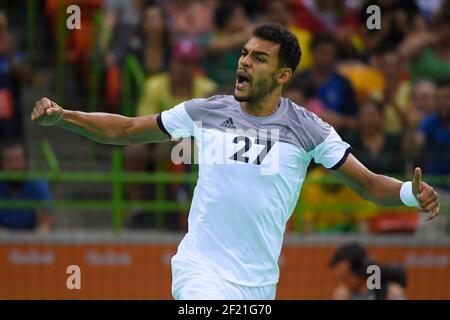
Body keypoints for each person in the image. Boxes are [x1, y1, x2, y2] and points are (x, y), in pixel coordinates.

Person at [31, 23, 439, 300]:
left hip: (259, 284)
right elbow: (124, 130)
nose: (244, 62)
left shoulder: (309, 129)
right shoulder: (207, 111)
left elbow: (366, 184)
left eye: (260, 58)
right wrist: (65, 117)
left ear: (283, 75)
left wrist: (408, 193)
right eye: (244, 54)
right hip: (201, 271)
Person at [0, 141, 53, 232]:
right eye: (8, 161)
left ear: (26, 161)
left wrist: (39, 236)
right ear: (1, 163)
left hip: (30, 238)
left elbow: (46, 220)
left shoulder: (37, 184)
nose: (14, 166)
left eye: (18, 160)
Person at [330, 243, 407, 300]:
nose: (342, 282)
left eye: (345, 277)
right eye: (340, 278)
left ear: (359, 271)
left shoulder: (391, 292)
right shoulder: (343, 294)